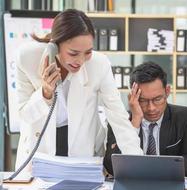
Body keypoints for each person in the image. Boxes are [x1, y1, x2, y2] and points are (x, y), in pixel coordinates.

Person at [15, 9, 142, 171]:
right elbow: (25, 115)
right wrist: (45, 93)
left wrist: (139, 165)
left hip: (81, 154)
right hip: (38, 153)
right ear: (55, 45)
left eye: (88, 52)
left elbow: (119, 118)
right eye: (73, 53)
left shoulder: (99, 64)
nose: (81, 61)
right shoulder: (27, 58)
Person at [103, 62, 187, 176]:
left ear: (167, 91)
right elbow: (111, 166)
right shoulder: (120, 121)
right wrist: (135, 121)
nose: (151, 108)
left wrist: (145, 167)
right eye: (143, 100)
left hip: (168, 185)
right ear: (133, 97)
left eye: (157, 99)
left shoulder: (184, 117)